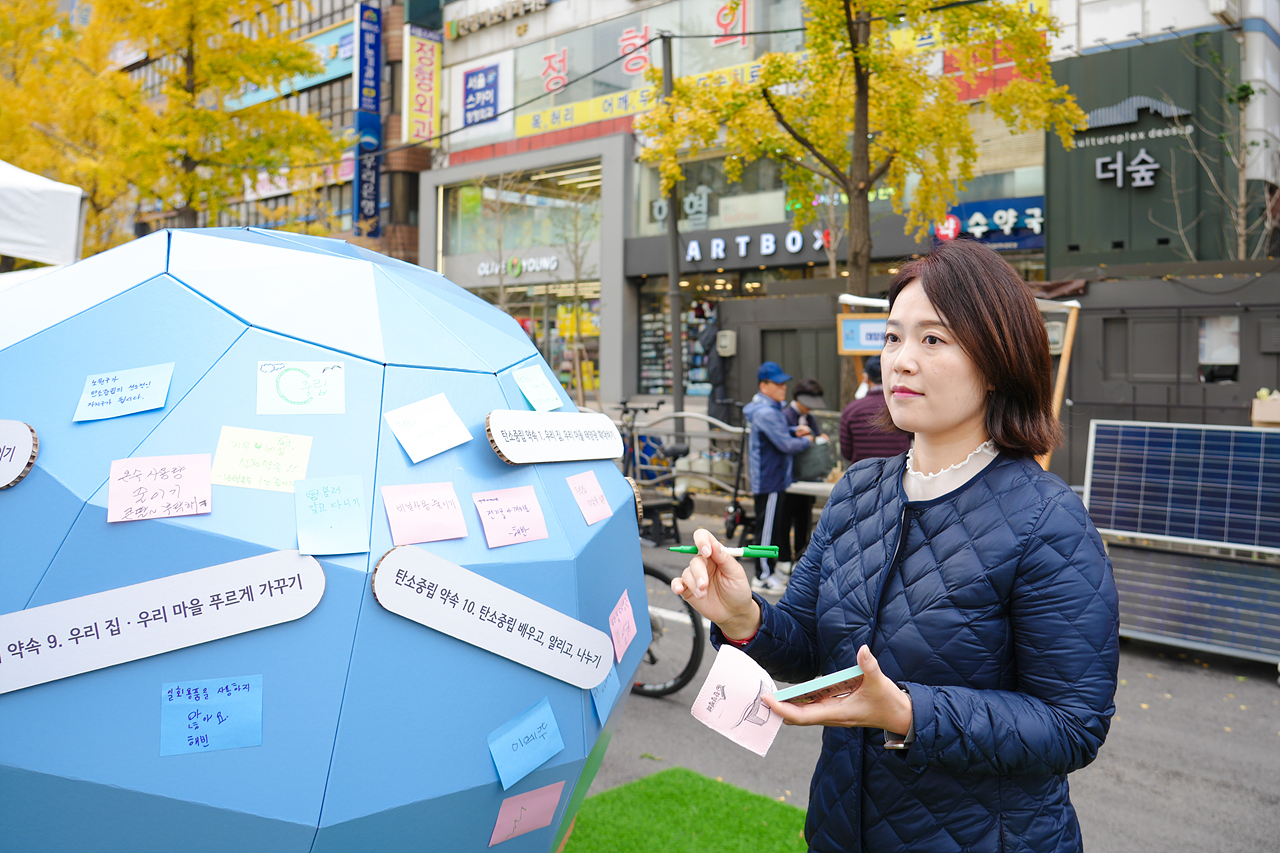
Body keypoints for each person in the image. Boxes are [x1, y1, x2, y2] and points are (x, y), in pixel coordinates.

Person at [672, 239, 1119, 853]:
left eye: (932, 340)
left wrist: (908, 712)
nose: (901, 361)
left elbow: (1072, 727)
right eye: (892, 338)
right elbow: (809, 651)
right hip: (839, 828)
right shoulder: (860, 490)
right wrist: (744, 617)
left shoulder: (1048, 519)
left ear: (996, 360)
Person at [742, 360, 812, 592]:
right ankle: (762, 576)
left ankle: (767, 572)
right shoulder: (766, 412)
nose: (783, 388)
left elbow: (780, 434)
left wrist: (794, 431)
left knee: (768, 527)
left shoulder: (768, 409)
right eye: (778, 384)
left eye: (784, 384)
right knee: (766, 530)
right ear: (764, 386)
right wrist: (805, 440)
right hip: (770, 479)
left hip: (770, 477)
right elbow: (784, 444)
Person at [778, 378, 828, 573]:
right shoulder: (785, 415)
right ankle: (783, 559)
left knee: (804, 519)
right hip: (788, 478)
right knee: (784, 520)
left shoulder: (809, 417)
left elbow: (816, 436)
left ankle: (801, 557)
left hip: (807, 477)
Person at [839, 355, 912, 464]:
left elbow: (846, 452)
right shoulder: (903, 406)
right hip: (897, 473)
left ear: (866, 378)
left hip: (862, 475)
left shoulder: (851, 410)